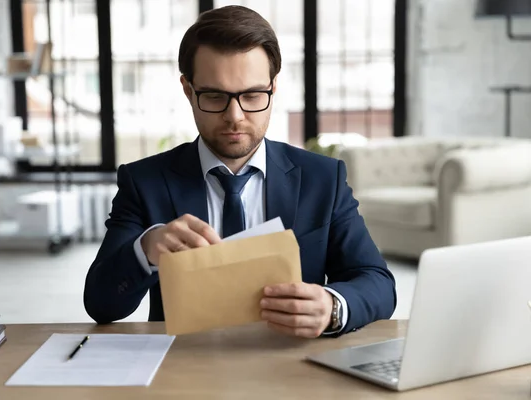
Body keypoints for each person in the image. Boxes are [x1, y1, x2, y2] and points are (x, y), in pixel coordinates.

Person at [83, 5, 396, 338]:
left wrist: (332, 306)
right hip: (184, 369)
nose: (235, 115)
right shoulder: (144, 182)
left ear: (273, 87)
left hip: (293, 365)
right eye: (215, 96)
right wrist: (145, 249)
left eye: (251, 95)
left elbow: (378, 283)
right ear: (188, 90)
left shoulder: (323, 178)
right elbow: (101, 304)